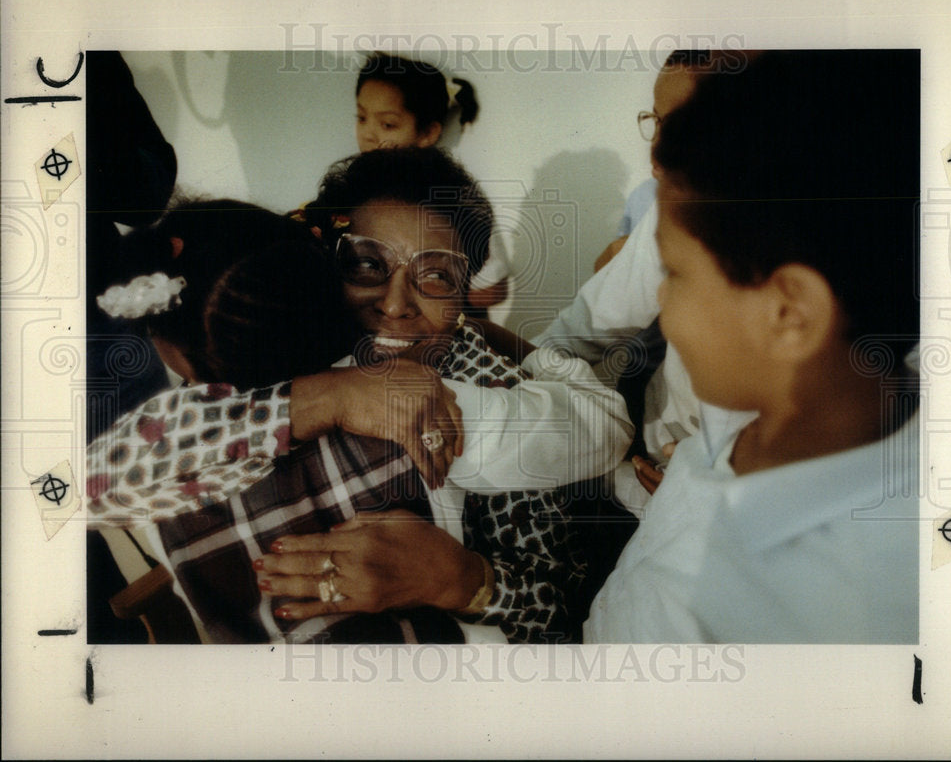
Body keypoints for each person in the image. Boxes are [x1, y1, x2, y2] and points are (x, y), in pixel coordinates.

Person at [89, 150, 632, 643]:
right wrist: (331, 396)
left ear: (465, 292)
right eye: (368, 264)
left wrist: (464, 581)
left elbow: (562, 617)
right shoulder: (258, 352)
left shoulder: (480, 391)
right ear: (318, 261)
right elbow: (95, 489)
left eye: (437, 276)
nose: (395, 304)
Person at [584, 49, 920, 643]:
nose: (659, 304)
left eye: (678, 277)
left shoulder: (828, 610)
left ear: (789, 314)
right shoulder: (731, 429)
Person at [532, 51, 718, 512]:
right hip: (648, 473)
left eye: (687, 127)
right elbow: (581, 331)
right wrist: (519, 385)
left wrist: (723, 477)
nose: (655, 159)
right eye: (655, 123)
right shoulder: (671, 210)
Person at [351, 51, 509, 312]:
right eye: (361, 118)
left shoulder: (454, 197)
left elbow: (492, 290)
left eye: (388, 124)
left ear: (427, 133)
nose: (367, 134)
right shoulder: (351, 188)